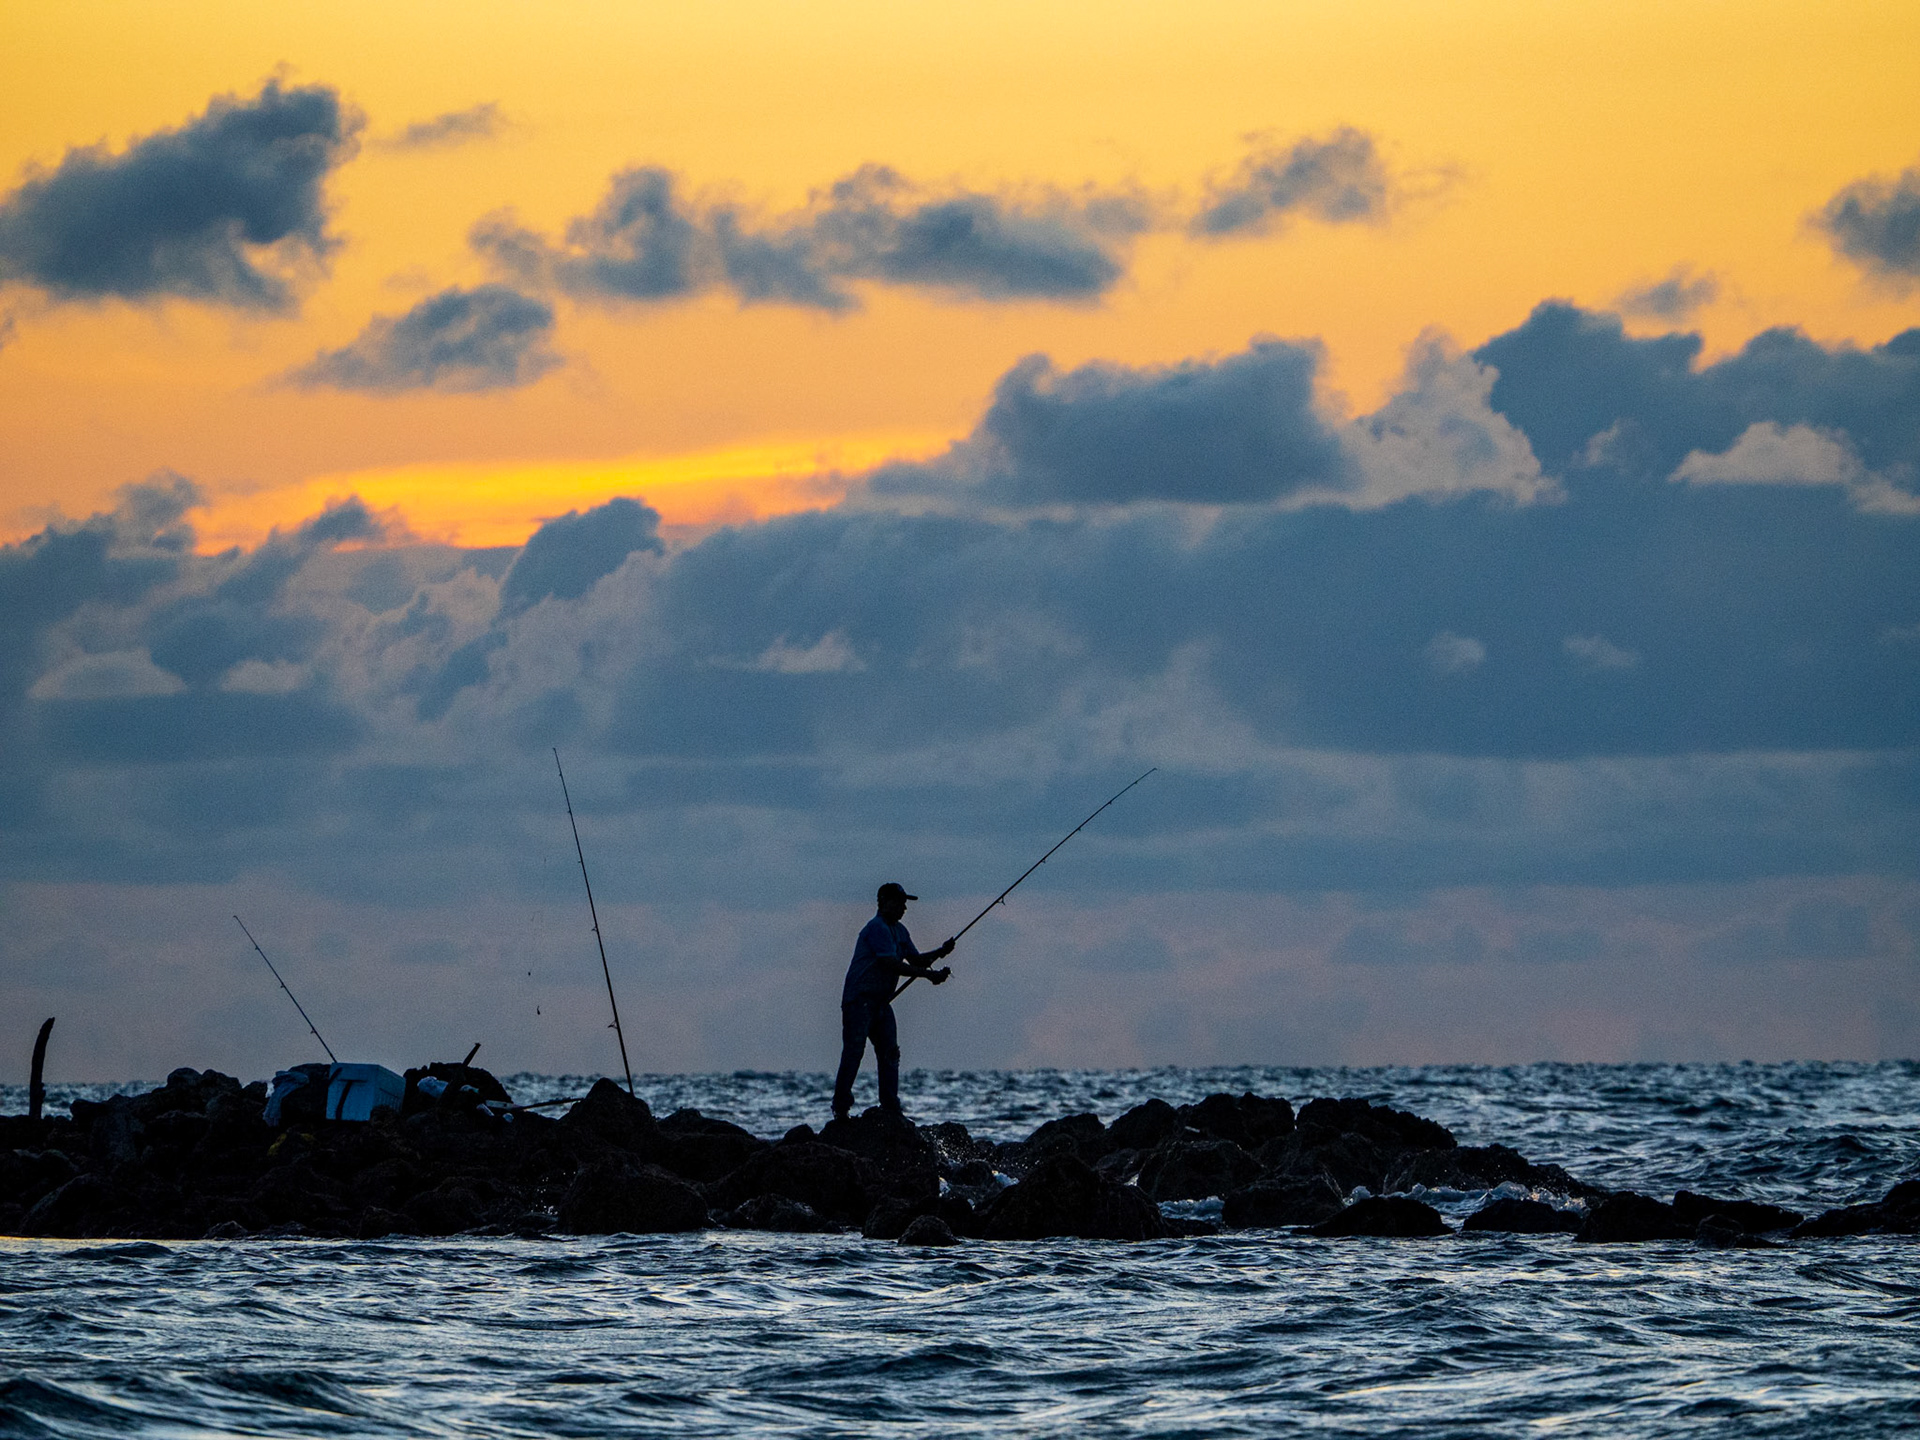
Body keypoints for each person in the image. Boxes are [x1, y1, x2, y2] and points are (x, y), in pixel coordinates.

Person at [833, 882, 954, 1121]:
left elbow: (916, 960)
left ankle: (890, 1107)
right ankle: (841, 1108)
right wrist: (929, 975)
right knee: (854, 1053)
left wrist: (941, 952)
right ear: (884, 902)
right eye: (899, 903)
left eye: (904, 904)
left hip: (881, 1003)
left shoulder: (900, 931)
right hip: (859, 1001)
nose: (904, 908)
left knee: (890, 1053)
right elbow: (891, 963)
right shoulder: (876, 928)